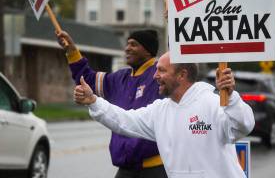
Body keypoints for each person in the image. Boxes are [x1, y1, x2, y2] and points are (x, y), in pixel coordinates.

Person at [74, 52, 255, 178]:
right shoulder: (160, 111)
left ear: (181, 75)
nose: (154, 76)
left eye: (161, 70)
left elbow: (243, 125)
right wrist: (93, 101)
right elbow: (124, 120)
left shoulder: (212, 103)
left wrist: (231, 97)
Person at [56, 29, 168, 178]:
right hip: (125, 170)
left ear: (148, 50)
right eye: (127, 44)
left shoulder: (158, 75)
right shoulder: (120, 78)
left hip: (154, 169)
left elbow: (179, 65)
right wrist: (72, 51)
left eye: (134, 44)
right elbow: (87, 79)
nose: (127, 48)